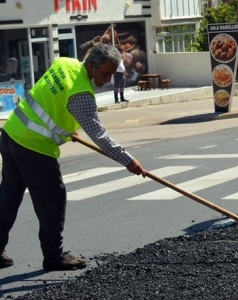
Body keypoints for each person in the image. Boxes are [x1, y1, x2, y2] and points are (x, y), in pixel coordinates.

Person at [0, 44, 146, 271]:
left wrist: (66, 129)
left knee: (9, 195)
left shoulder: (64, 63)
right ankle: (53, 257)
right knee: (53, 200)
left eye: (112, 73)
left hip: (11, 133)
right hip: (33, 145)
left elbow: (50, 98)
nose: (108, 79)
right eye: (105, 73)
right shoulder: (82, 94)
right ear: (91, 66)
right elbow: (99, 135)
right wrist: (128, 160)